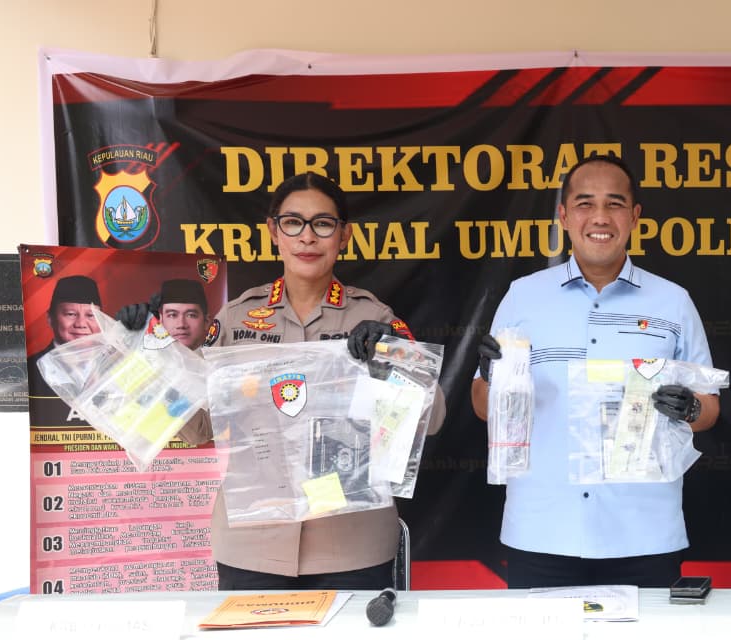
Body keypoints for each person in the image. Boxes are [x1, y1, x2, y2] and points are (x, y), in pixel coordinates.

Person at [120, 172, 445, 591]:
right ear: (274, 232)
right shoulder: (236, 318)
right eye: (293, 223)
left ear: (344, 235)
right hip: (251, 545)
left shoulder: (374, 317)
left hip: (352, 544)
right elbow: (196, 428)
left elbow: (432, 419)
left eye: (323, 224)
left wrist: (392, 358)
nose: (307, 237)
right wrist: (150, 354)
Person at [472, 154, 719, 589]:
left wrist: (690, 408)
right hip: (543, 529)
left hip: (643, 531)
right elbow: (483, 407)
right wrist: (493, 380)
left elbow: (709, 409)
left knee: (647, 638)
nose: (600, 217)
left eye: (614, 204)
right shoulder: (522, 297)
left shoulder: (673, 301)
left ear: (635, 216)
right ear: (564, 216)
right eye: (585, 204)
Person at [27, 274, 104, 424]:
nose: (81, 324)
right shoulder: (29, 369)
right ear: (50, 318)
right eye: (71, 314)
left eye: (91, 315)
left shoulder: (118, 366)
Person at [154, 278, 211, 350]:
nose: (181, 325)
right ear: (161, 322)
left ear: (206, 322)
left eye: (191, 315)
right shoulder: (145, 356)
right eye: (172, 315)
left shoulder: (220, 357)